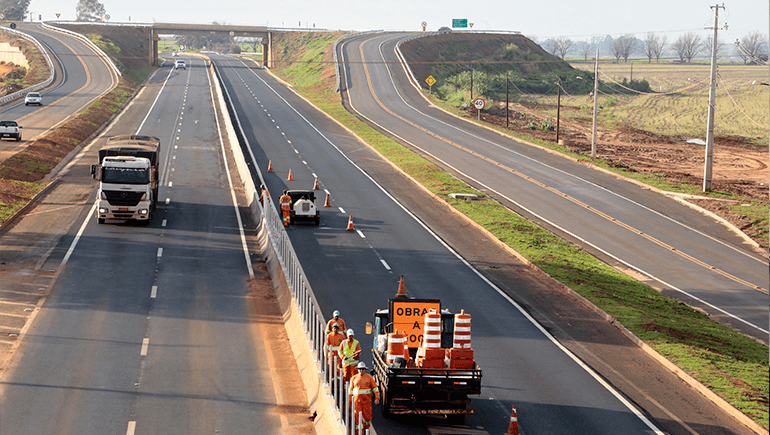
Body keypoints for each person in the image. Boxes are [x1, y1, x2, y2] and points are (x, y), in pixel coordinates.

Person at [348, 362, 380, 434]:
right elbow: (350, 392)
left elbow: (375, 389)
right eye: (360, 369)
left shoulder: (369, 378)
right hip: (357, 402)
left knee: (368, 417)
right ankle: (360, 432)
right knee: (357, 418)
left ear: (365, 370)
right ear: (357, 369)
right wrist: (349, 403)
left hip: (366, 402)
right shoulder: (354, 378)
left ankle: (367, 428)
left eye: (362, 369)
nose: (361, 371)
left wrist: (377, 398)